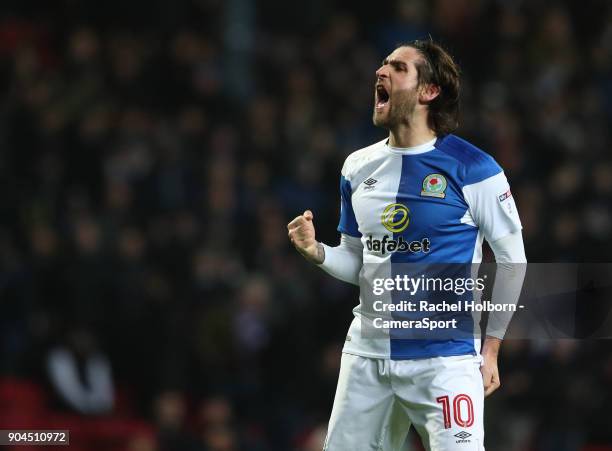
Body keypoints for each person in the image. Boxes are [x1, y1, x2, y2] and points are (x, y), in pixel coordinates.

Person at [287, 39, 526, 451]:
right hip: (367, 354)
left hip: (445, 359)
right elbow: (358, 260)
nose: (380, 72)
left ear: (428, 91)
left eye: (397, 68)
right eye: (382, 64)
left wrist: (491, 350)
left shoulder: (474, 168)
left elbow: (512, 261)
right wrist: (318, 253)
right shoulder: (357, 167)